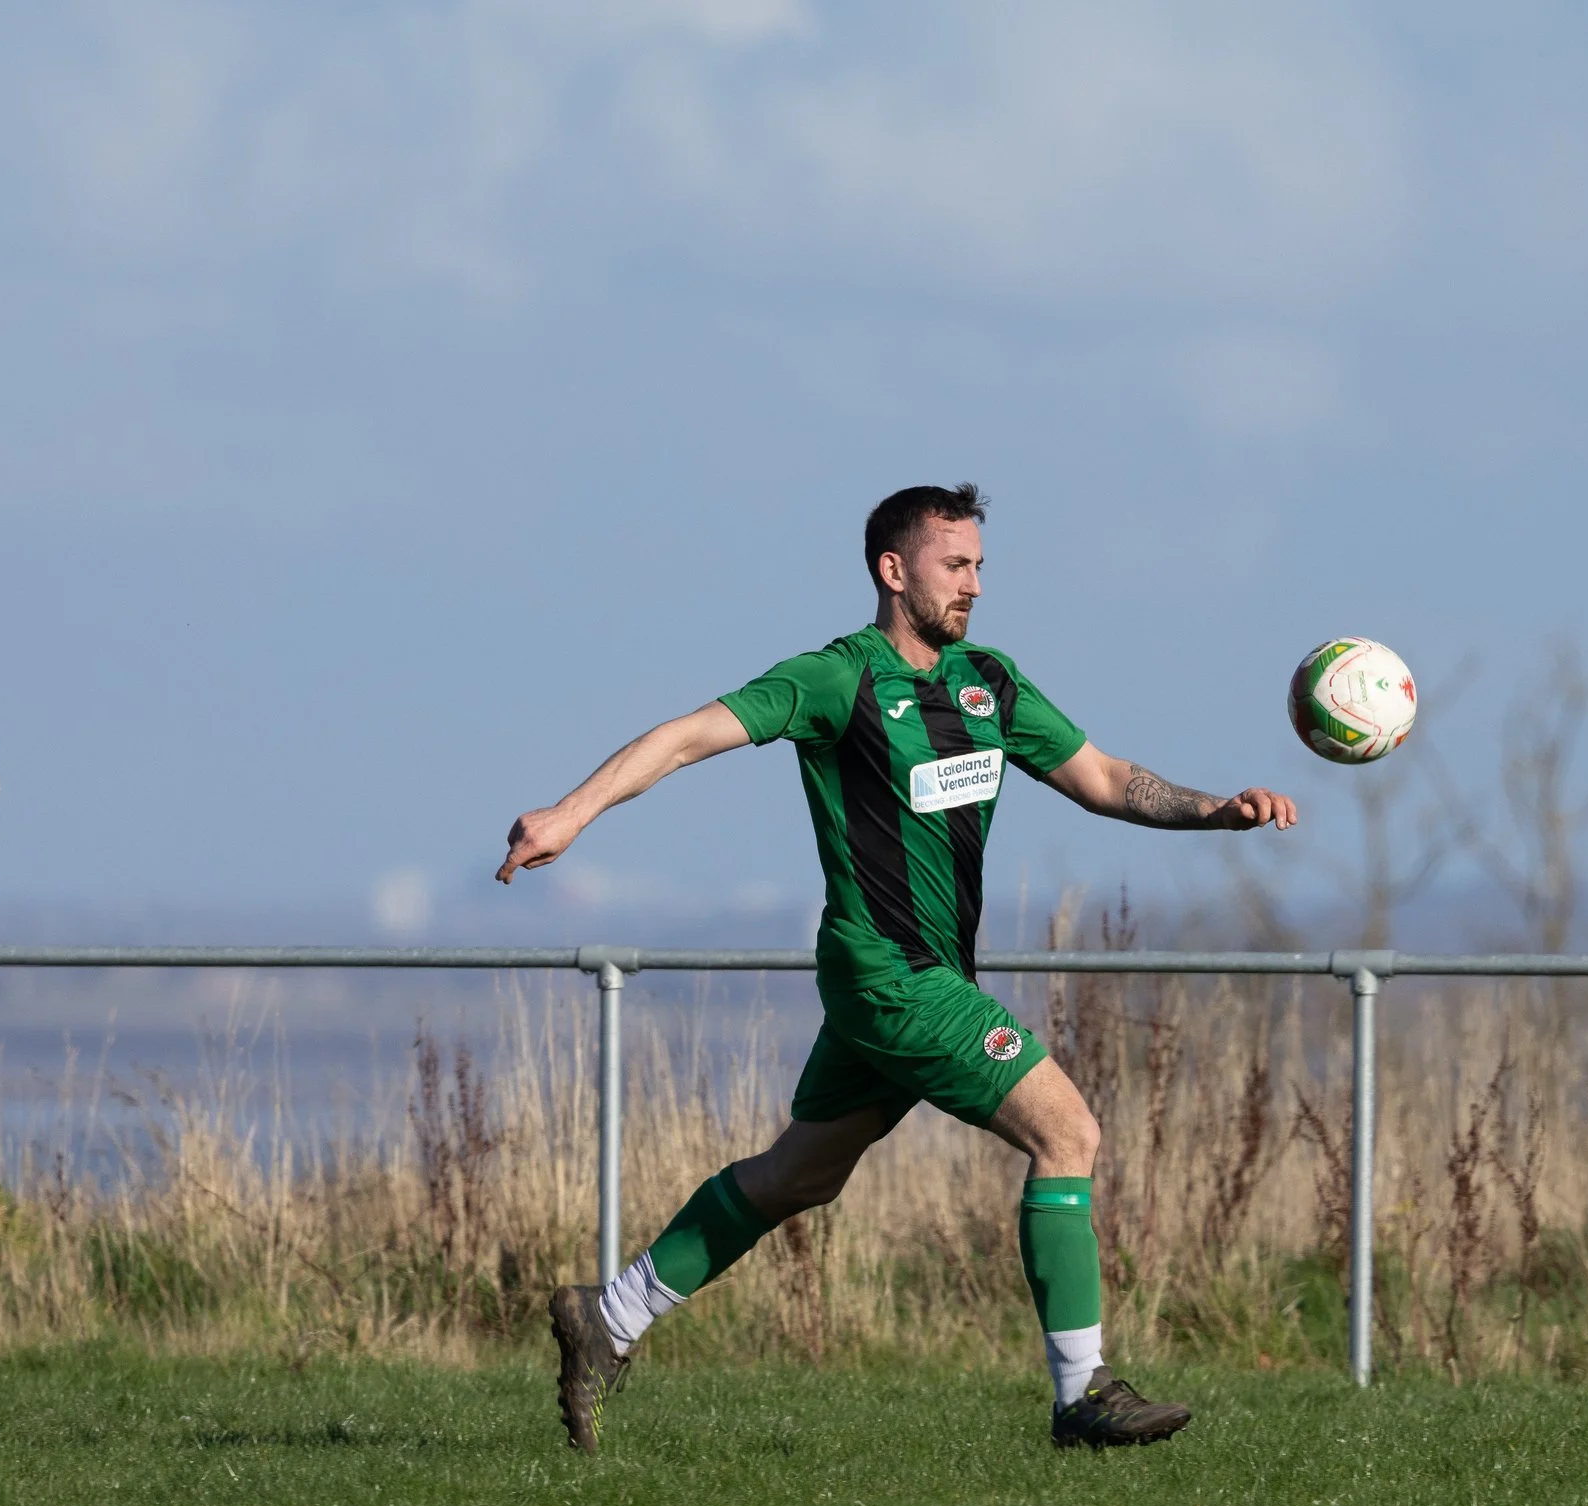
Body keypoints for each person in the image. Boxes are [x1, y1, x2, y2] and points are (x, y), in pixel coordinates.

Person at [499, 484, 1297, 1452]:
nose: (972, 585)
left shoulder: (988, 684)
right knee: (1068, 1130)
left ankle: (610, 1316)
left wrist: (1214, 810)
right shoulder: (838, 679)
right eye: (953, 565)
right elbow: (686, 734)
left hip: (923, 980)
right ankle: (1081, 1390)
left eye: (978, 568)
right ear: (893, 570)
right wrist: (573, 812)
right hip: (891, 976)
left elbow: (1103, 777)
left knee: (800, 1173)